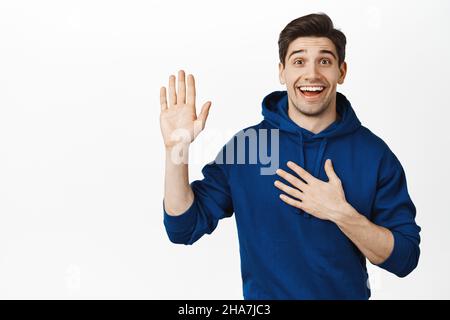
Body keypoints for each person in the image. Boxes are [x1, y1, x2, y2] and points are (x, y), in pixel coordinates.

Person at [159, 13, 421, 299]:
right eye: (299, 61)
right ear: (282, 71)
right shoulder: (250, 147)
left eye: (324, 61)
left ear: (341, 72)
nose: (312, 74)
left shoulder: (374, 154)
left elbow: (405, 258)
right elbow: (183, 228)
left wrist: (340, 213)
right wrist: (176, 150)